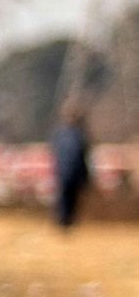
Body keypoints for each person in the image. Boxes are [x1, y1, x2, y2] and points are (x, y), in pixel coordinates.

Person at [52, 98, 94, 232]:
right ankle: (65, 222)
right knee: (68, 198)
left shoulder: (62, 134)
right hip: (70, 172)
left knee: (67, 198)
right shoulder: (78, 135)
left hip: (65, 172)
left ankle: (65, 222)